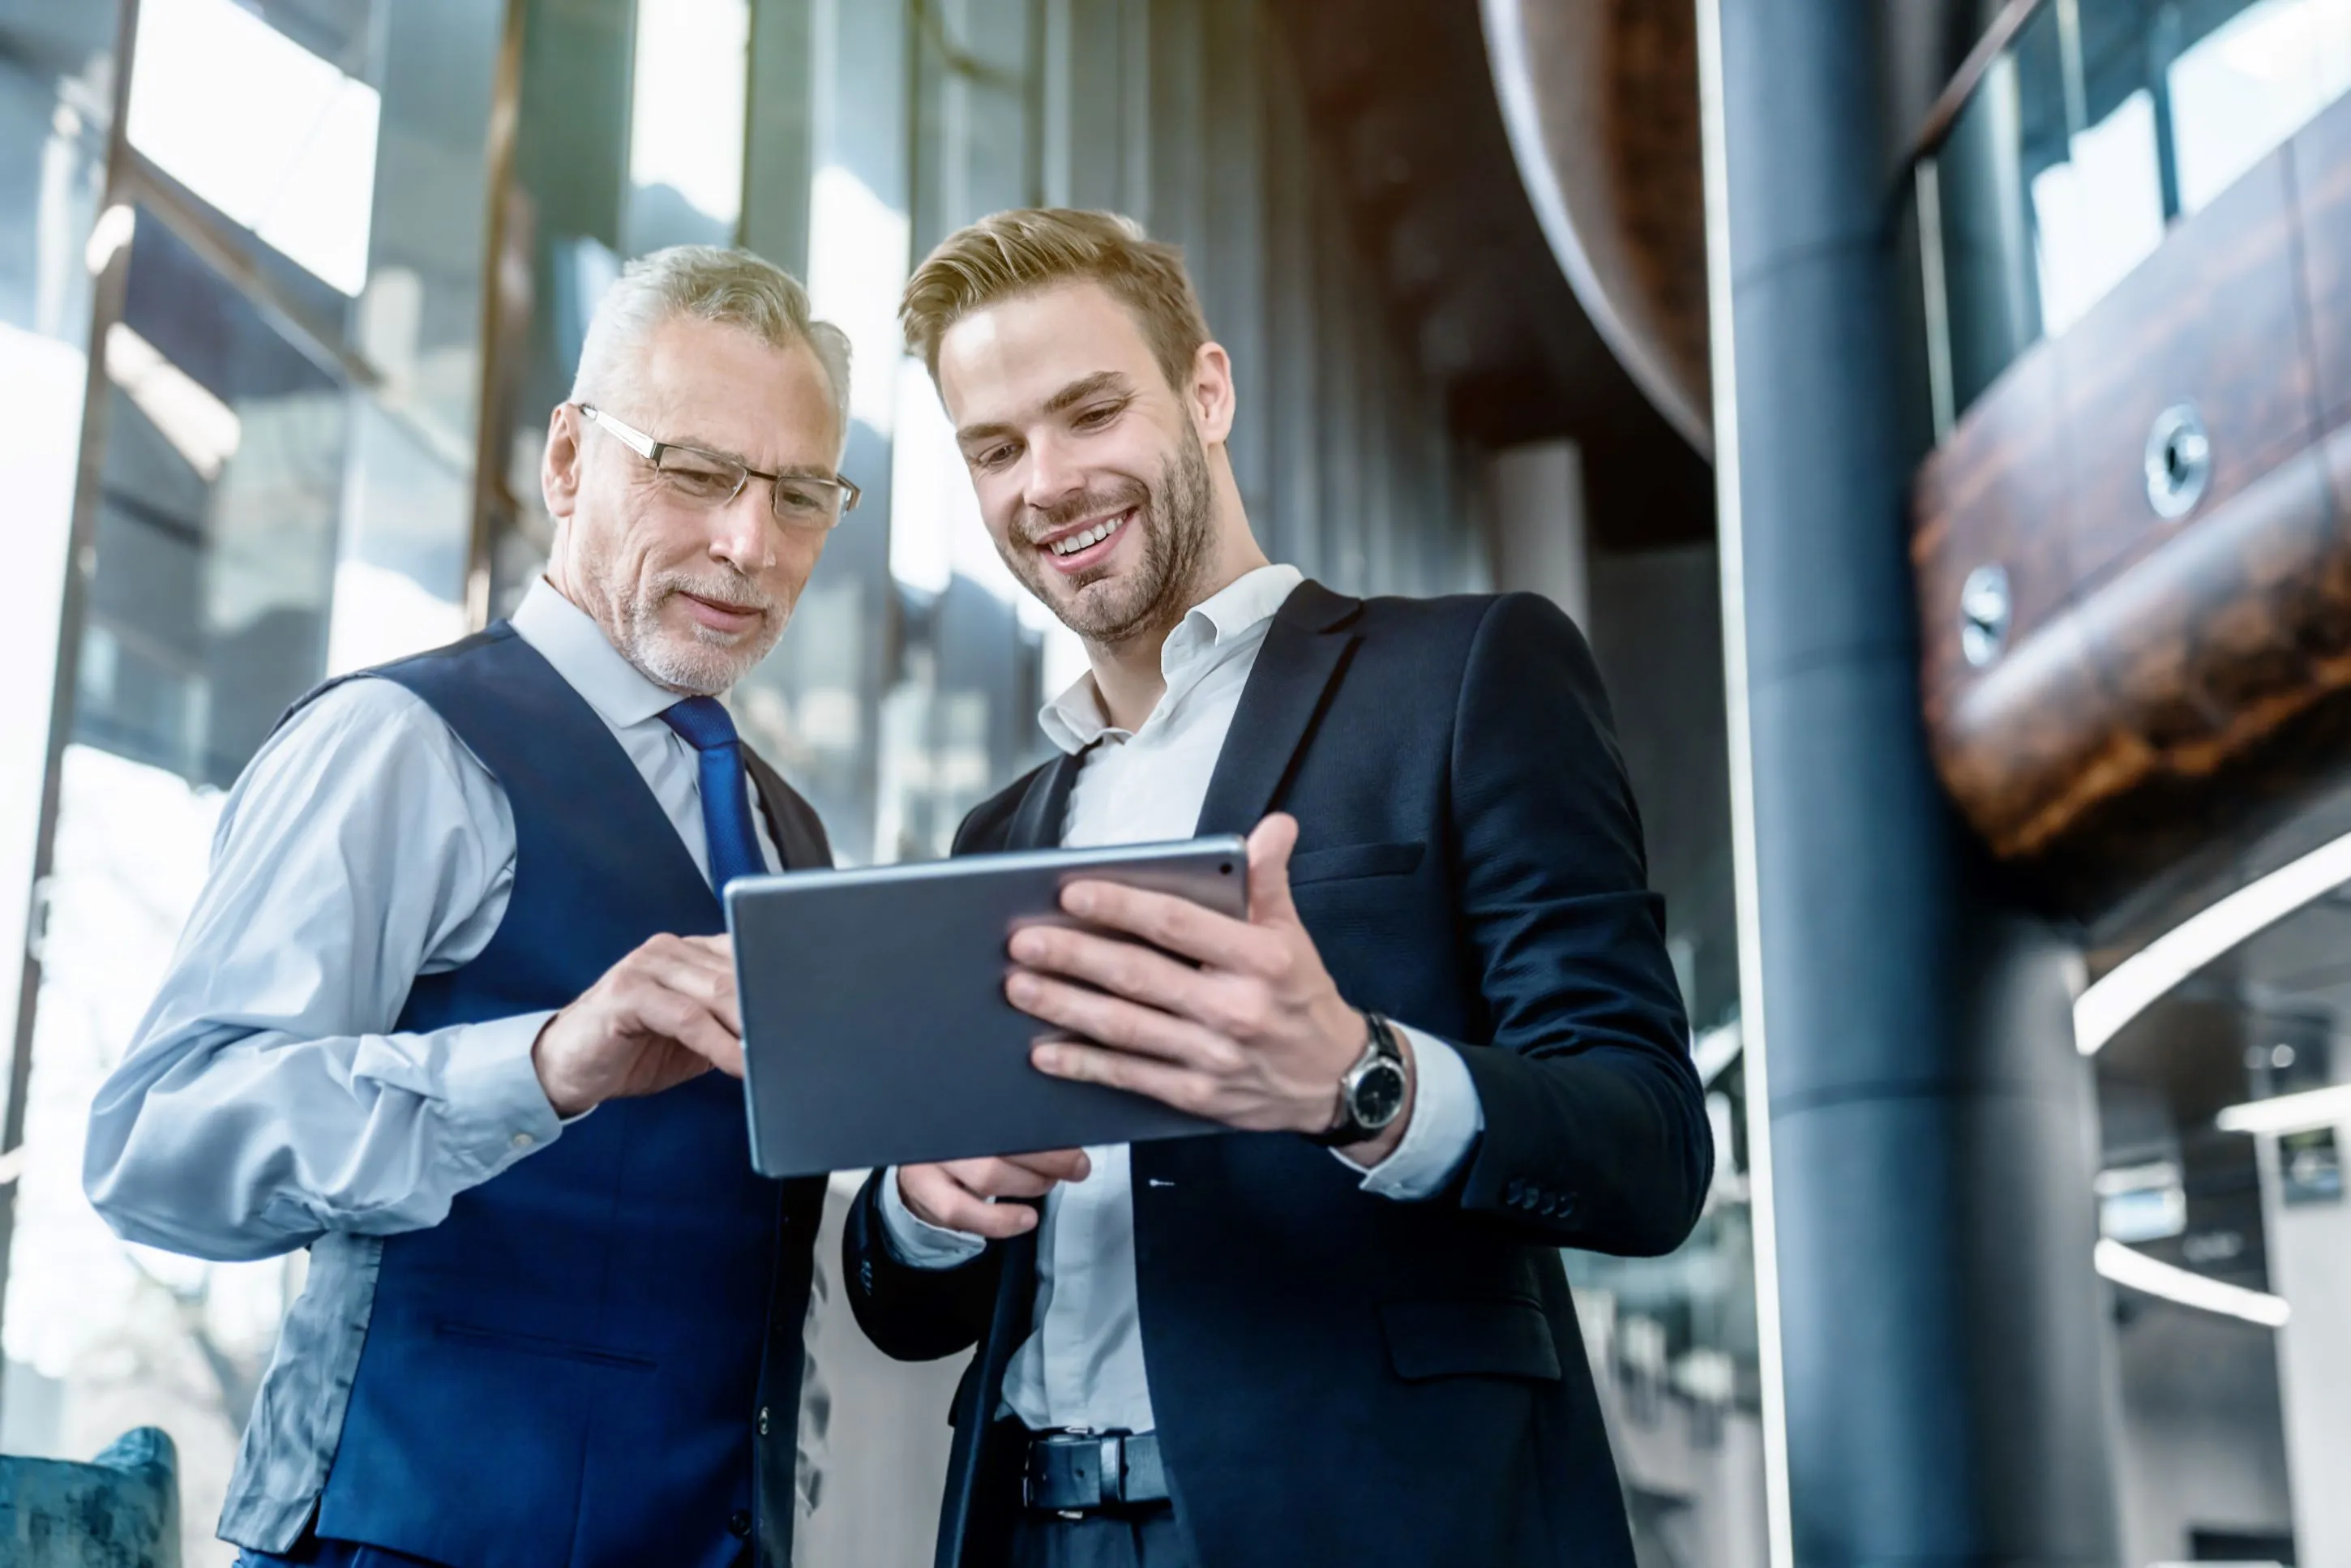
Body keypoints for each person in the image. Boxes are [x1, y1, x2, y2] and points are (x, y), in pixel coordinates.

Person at [840, 208, 1713, 1568]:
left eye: (1089, 412)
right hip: (1028, 1529)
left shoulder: (1471, 677)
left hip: (1365, 1525)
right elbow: (905, 1304)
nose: (1048, 482)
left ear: (1207, 390)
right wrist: (921, 1202)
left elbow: (1653, 1149)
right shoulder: (998, 829)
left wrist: (1360, 1081)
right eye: (996, 448)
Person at [84, 245, 858, 1568]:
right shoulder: (400, 744)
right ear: (568, 461)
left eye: (798, 495)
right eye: (695, 470)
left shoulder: (790, 830)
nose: (750, 541)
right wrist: (541, 1066)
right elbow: (156, 1145)